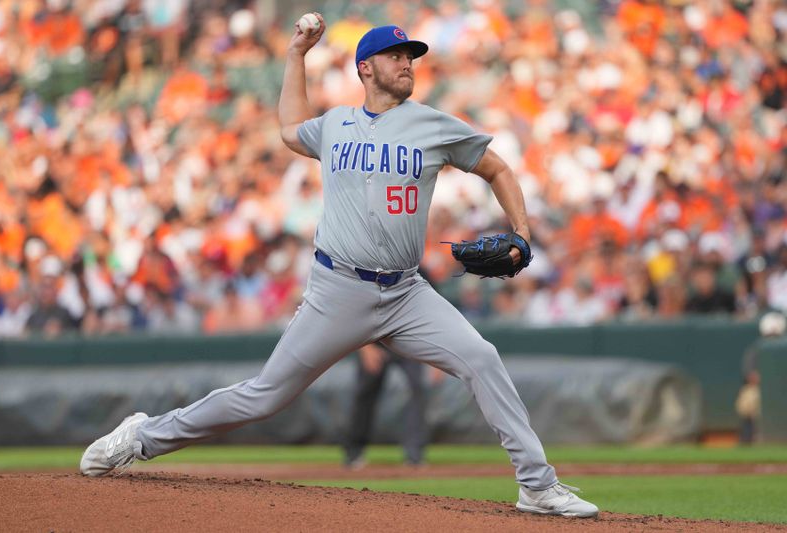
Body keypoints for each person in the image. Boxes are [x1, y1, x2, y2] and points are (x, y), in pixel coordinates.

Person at [80, 16, 598, 519]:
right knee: (264, 397)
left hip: (406, 295)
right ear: (365, 69)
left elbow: (498, 168)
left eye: (410, 56)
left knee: (482, 358)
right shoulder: (335, 125)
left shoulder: (434, 125)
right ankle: (141, 436)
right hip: (338, 290)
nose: (406, 63)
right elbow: (288, 127)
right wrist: (296, 55)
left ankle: (538, 485)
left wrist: (523, 231)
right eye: (394, 56)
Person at [343, 343, 428, 468]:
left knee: (418, 391)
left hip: (408, 343)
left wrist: (435, 362)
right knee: (365, 394)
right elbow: (354, 323)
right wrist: (365, 348)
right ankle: (354, 453)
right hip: (375, 341)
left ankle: (414, 454)